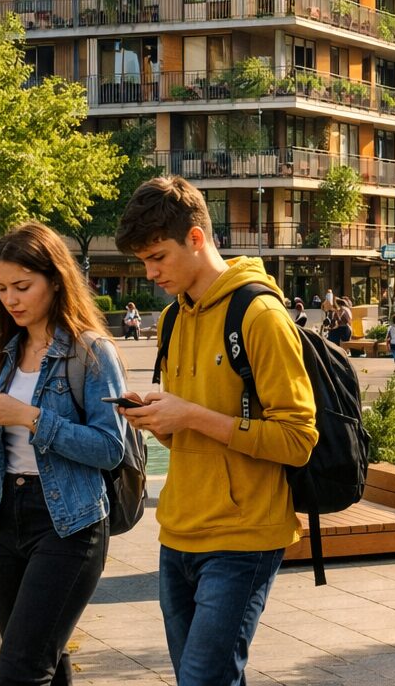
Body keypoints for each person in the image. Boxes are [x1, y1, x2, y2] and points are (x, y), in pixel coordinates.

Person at [112, 176, 317, 684]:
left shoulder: (261, 315)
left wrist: (190, 415)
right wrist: (159, 418)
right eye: (143, 261)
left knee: (202, 679)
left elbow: (298, 440)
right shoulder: (171, 319)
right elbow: (189, 435)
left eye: (157, 257)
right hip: (178, 530)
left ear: (196, 238)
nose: (150, 272)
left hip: (244, 536)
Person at [0, 223, 129, 686]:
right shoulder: (0, 352)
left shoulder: (91, 353)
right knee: (42, 659)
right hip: (5, 516)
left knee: (19, 670)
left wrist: (31, 418)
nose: (11, 298)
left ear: (55, 280)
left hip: (69, 523)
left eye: (22, 286)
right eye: (2, 288)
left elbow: (109, 448)